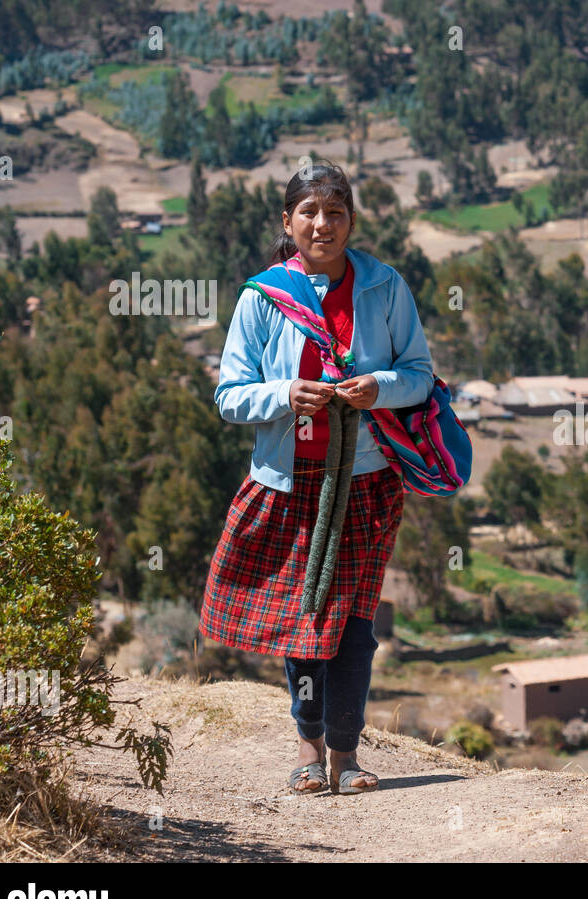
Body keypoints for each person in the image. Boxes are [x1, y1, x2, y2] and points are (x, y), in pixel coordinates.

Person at [198, 162, 434, 795]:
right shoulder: (261, 297)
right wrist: (285, 395)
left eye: (335, 213)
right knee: (307, 627)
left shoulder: (384, 289)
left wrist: (377, 388)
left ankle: (346, 755)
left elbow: (419, 375)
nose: (322, 224)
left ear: (351, 220)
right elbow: (229, 395)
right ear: (288, 222)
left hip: (366, 482)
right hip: (289, 483)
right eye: (310, 212)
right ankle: (307, 750)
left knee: (355, 629)